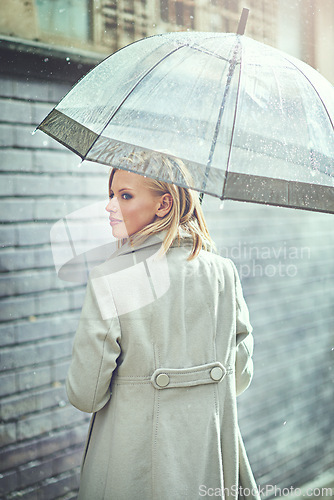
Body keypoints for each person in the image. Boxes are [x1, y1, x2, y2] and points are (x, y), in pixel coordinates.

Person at [66, 153, 260, 500]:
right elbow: (240, 376)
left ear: (163, 204)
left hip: (134, 465)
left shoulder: (110, 279)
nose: (109, 206)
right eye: (111, 194)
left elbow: (85, 393)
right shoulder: (223, 272)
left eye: (124, 195)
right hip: (209, 461)